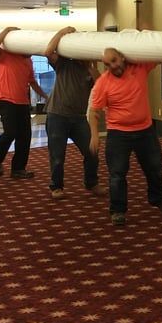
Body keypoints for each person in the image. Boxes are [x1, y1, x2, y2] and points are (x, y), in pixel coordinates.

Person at [88, 47, 162, 225]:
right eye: (107, 64)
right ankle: (118, 210)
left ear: (122, 58)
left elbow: (158, 52)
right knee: (117, 174)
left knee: (155, 167)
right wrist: (94, 135)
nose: (112, 66)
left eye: (114, 61)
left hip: (145, 130)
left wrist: (146, 31)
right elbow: (94, 111)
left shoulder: (139, 68)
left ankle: (157, 199)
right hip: (118, 134)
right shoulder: (103, 83)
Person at [43, 27, 103, 200]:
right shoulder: (64, 63)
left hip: (79, 118)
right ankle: (56, 186)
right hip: (57, 115)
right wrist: (62, 32)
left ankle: (91, 182)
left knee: (92, 151)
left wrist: (93, 68)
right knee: (57, 155)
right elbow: (48, 51)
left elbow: (102, 87)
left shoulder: (90, 70)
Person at [0, 27, 48, 179]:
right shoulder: (6, 55)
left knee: (25, 136)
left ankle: (18, 169)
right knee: (10, 132)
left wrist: (45, 96)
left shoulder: (28, 61)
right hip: (5, 99)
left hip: (22, 101)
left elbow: (32, 81)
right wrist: (7, 30)